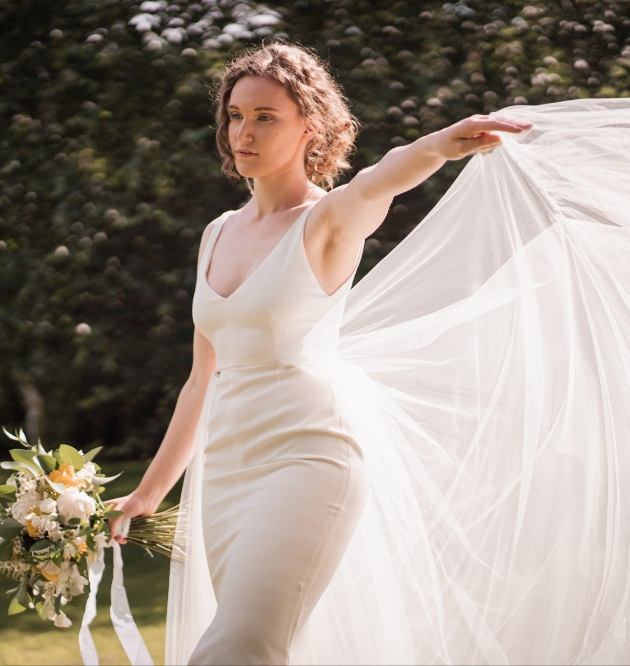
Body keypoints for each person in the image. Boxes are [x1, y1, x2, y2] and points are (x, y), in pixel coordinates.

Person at [105, 41, 630, 666]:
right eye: (235, 115)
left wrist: (440, 144)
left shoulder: (326, 220)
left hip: (308, 458)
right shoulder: (217, 233)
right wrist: (149, 493)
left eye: (265, 117)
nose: (243, 132)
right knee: (262, 649)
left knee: (238, 649)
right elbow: (201, 379)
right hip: (225, 474)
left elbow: (381, 179)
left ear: (312, 127)